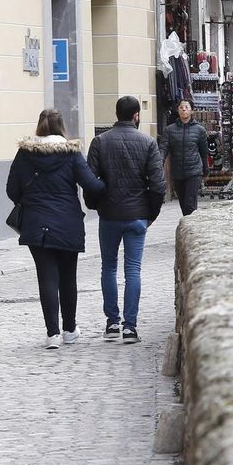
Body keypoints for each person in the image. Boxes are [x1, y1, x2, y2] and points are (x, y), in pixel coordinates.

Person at [5, 109, 105, 350]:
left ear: (38, 127)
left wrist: (30, 200)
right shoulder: (71, 153)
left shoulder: (24, 154)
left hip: (35, 223)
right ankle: (69, 330)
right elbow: (91, 185)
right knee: (68, 277)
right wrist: (107, 185)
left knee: (46, 277)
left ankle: (52, 335)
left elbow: (12, 190)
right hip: (67, 223)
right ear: (62, 128)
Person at [86, 95, 165, 345]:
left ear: (116, 113)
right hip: (137, 215)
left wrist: (95, 205)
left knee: (108, 268)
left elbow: (90, 181)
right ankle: (130, 327)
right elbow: (158, 185)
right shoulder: (148, 142)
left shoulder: (100, 142)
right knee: (133, 270)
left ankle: (112, 323)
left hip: (109, 214)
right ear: (136, 116)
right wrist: (151, 213)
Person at [162, 99, 209, 217]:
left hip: (194, 171)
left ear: (192, 111)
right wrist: (158, 164)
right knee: (183, 203)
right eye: (181, 107)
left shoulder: (199, 130)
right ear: (177, 110)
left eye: (187, 107)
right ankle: (190, 225)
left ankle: (192, 228)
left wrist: (205, 169)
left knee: (189, 202)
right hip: (177, 171)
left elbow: (204, 151)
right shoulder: (169, 130)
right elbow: (163, 149)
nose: (184, 109)